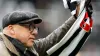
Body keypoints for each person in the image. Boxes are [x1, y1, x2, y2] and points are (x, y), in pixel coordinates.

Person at [0, 5, 79, 56]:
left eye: (35, 28)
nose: (35, 32)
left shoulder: (27, 47)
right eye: (29, 27)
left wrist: (76, 17)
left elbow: (52, 40)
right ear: (11, 29)